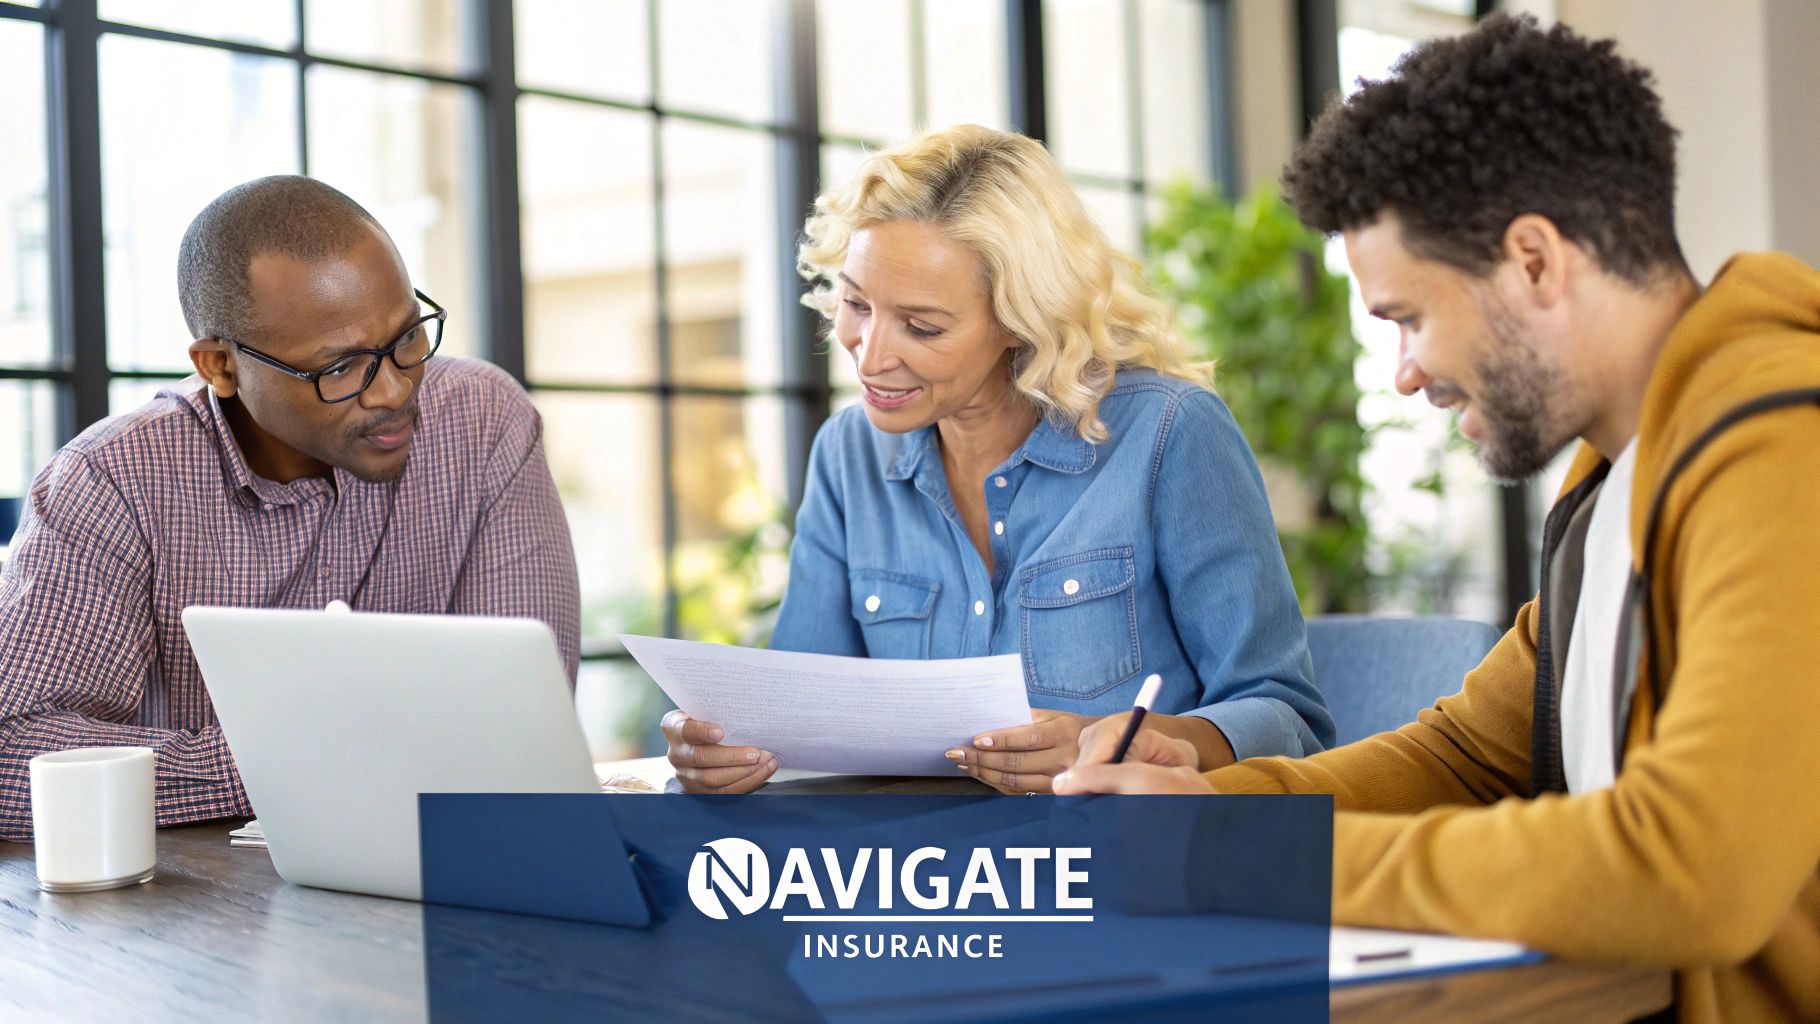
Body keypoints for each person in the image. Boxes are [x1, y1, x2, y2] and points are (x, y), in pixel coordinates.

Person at [1054, 15, 1820, 1022]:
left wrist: (1241, 857)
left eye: (1407, 317)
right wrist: (1203, 809)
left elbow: (1691, 864)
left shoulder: (1777, 449)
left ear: (1533, 260)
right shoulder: (1614, 481)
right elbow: (1464, 755)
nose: (1405, 374)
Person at [662, 125, 1333, 795]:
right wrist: (734, 750)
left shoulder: (1168, 434)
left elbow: (1286, 717)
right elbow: (798, 719)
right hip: (914, 871)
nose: (868, 356)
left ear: (1020, 317)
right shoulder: (848, 456)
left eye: (922, 327)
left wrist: (1149, 741)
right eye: (857, 304)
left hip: (1112, 865)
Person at [0, 176, 581, 841]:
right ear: (219, 365)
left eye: (407, 339)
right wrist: (276, 765)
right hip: (195, 916)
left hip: (455, 869)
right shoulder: (115, 483)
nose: (393, 389)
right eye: (340, 368)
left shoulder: (484, 422)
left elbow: (527, 726)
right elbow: (11, 756)